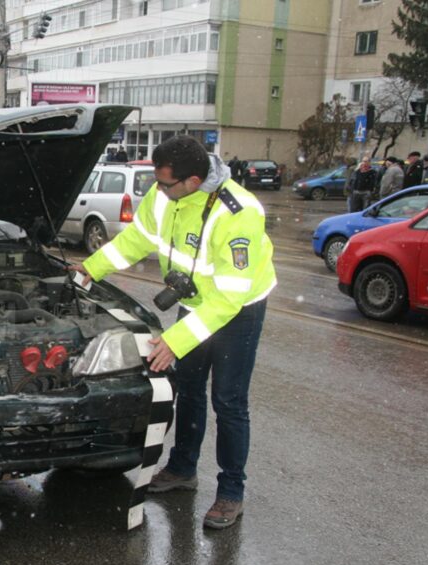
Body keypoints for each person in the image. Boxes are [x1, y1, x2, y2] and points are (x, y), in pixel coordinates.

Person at [71, 136, 275, 529]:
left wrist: (176, 339)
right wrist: (89, 269)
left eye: (165, 184)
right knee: (189, 389)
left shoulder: (239, 214)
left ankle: (231, 492)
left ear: (194, 180)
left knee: (229, 402)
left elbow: (229, 299)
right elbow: (136, 240)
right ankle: (183, 469)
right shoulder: (163, 196)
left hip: (239, 311)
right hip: (196, 303)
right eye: (156, 182)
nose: (157, 191)